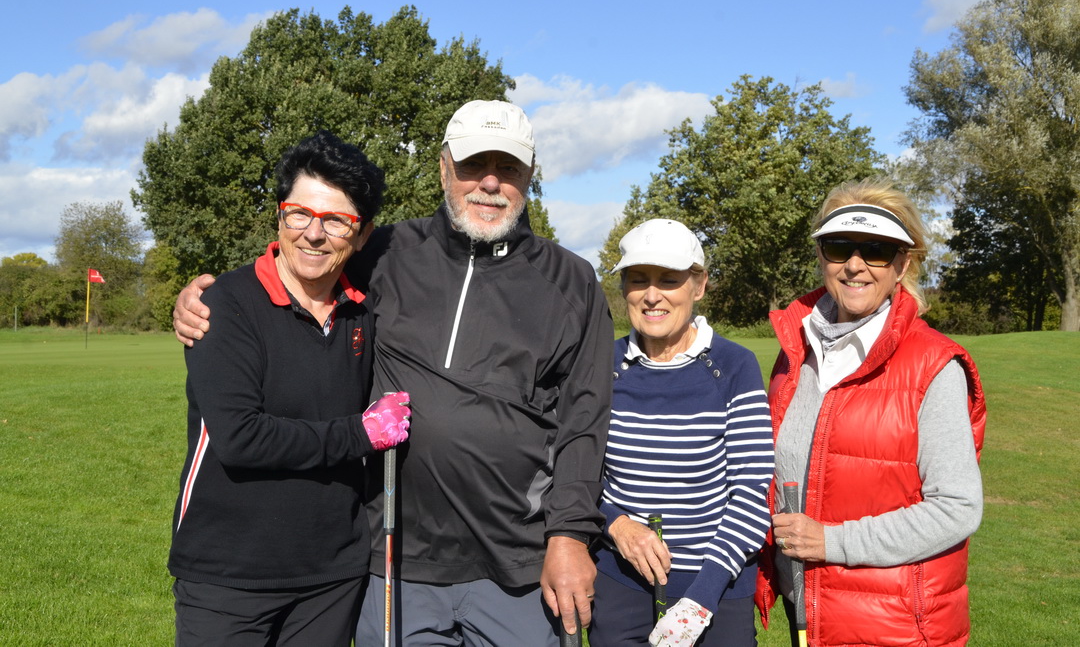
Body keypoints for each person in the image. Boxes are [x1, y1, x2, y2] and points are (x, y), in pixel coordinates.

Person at [173, 100, 613, 645]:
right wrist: (202, 297)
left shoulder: (573, 281)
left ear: (530, 175)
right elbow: (301, 258)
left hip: (517, 562)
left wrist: (569, 536)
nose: (490, 182)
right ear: (444, 167)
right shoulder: (383, 252)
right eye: (473, 164)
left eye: (509, 168)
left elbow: (585, 419)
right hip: (396, 558)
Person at [168, 131, 412, 646]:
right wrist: (362, 434)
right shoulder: (225, 305)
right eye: (299, 214)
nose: (313, 234)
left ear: (362, 234)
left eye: (336, 220)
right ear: (279, 216)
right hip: (227, 573)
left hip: (332, 577)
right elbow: (241, 439)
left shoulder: (365, 311)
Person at [754, 179, 987, 647]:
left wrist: (832, 542)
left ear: (902, 265)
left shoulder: (934, 365)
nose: (855, 265)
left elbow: (957, 508)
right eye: (840, 247)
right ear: (821, 256)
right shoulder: (796, 353)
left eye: (877, 250)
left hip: (896, 626)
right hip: (807, 614)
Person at [588, 219, 773, 647]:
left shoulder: (734, 366)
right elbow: (575, 473)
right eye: (638, 279)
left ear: (699, 285)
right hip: (621, 580)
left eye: (669, 280)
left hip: (717, 585)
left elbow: (750, 491)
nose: (652, 295)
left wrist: (700, 600)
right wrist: (617, 525)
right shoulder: (601, 365)